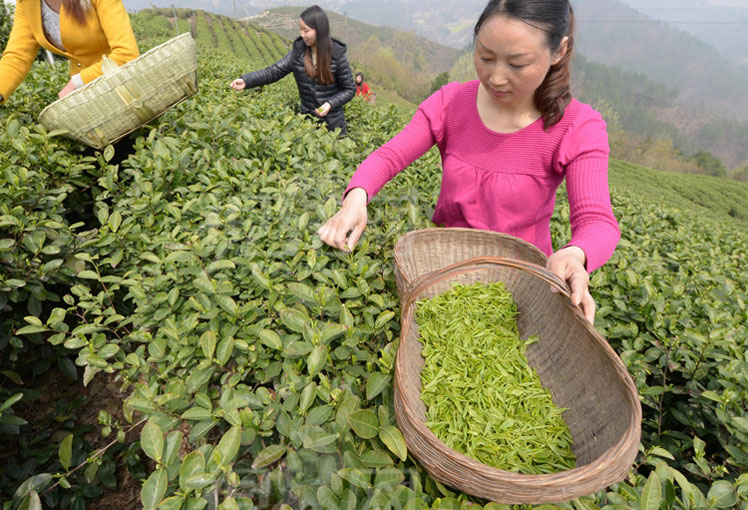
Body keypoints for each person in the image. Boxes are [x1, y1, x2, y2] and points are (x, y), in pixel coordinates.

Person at [318, 0, 620, 324]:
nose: (496, 77)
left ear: (558, 51)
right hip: (442, 271)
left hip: (519, 288)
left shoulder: (577, 126)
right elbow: (389, 157)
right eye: (485, 57)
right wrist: (356, 197)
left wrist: (577, 254)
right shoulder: (451, 103)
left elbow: (597, 221)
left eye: (517, 64)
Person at [230, 5, 356, 135]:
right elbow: (273, 72)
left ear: (319, 30)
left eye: (306, 30)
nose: (302, 35)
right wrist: (246, 80)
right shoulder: (298, 54)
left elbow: (350, 89)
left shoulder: (336, 56)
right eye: (300, 29)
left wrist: (329, 104)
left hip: (334, 125)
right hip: (308, 123)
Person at [0, 0, 139, 105]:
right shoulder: (27, 3)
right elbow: (17, 57)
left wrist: (77, 82)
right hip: (87, 100)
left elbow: (126, 54)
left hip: (125, 89)